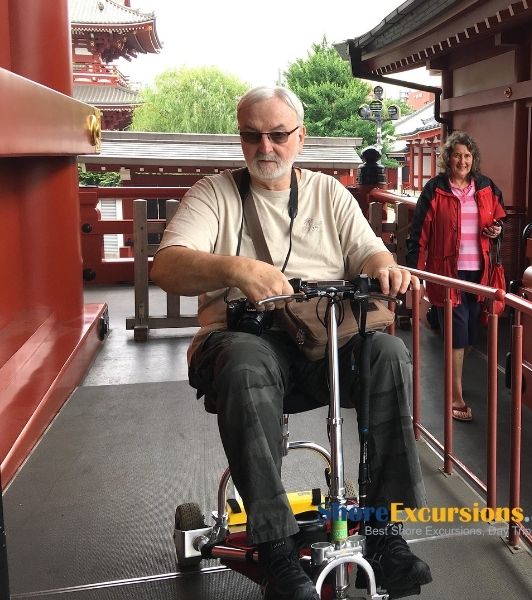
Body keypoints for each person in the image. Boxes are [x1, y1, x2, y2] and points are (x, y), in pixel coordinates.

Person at [152, 86, 432, 600]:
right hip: (247, 341)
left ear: (300, 138)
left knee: (388, 352)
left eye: (278, 135)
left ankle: (385, 531)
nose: (266, 147)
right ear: (240, 138)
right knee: (242, 361)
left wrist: (385, 270)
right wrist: (236, 269)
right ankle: (275, 547)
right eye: (252, 135)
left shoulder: (329, 193)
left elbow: (369, 251)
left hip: (327, 340)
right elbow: (166, 264)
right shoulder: (214, 193)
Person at [407, 131, 506, 422]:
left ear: (473, 159)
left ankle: (456, 383)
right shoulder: (435, 190)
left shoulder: (486, 187)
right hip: (448, 272)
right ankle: (454, 396)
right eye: (457, 155)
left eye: (467, 155)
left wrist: (497, 230)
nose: (462, 160)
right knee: (457, 333)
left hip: (481, 271)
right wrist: (417, 274)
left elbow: (499, 219)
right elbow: (419, 234)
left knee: (472, 329)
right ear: (448, 158)